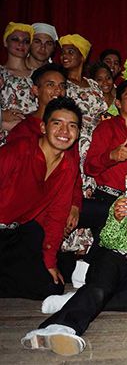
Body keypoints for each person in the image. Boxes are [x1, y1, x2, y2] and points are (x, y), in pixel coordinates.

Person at [21, 145, 127, 356]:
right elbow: (106, 238)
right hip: (113, 257)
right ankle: (61, 327)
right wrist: (117, 218)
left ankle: (74, 299)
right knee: (100, 288)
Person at [0, 97, 81, 301]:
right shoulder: (17, 151)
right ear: (43, 127)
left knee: (51, 287)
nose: (65, 131)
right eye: (57, 123)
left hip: (17, 235)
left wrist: (49, 262)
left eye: (72, 126)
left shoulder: (68, 164)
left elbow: (57, 216)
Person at [77, 80, 127, 250]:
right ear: (118, 103)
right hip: (106, 198)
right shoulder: (107, 127)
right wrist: (111, 156)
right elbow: (89, 167)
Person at [59, 34, 107, 197]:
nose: (65, 56)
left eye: (71, 52)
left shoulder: (93, 84)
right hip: (73, 140)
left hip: (96, 140)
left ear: (82, 56)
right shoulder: (62, 84)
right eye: (63, 52)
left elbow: (102, 113)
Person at [1, 22, 36, 142]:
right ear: (5, 42)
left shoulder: (39, 75)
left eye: (26, 41)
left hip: (30, 137)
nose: (21, 44)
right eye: (15, 39)